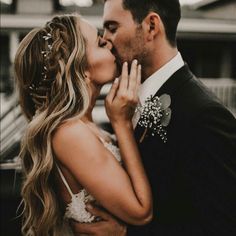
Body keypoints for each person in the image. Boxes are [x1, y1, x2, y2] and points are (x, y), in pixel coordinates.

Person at [72, 0, 236, 235]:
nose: (105, 39)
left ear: (151, 26)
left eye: (112, 27)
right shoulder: (126, 104)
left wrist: (126, 233)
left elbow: (222, 225)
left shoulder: (204, 115)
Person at [14, 14, 153, 235]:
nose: (108, 42)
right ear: (82, 68)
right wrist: (121, 123)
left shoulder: (83, 123)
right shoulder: (70, 133)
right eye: (99, 42)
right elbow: (141, 212)